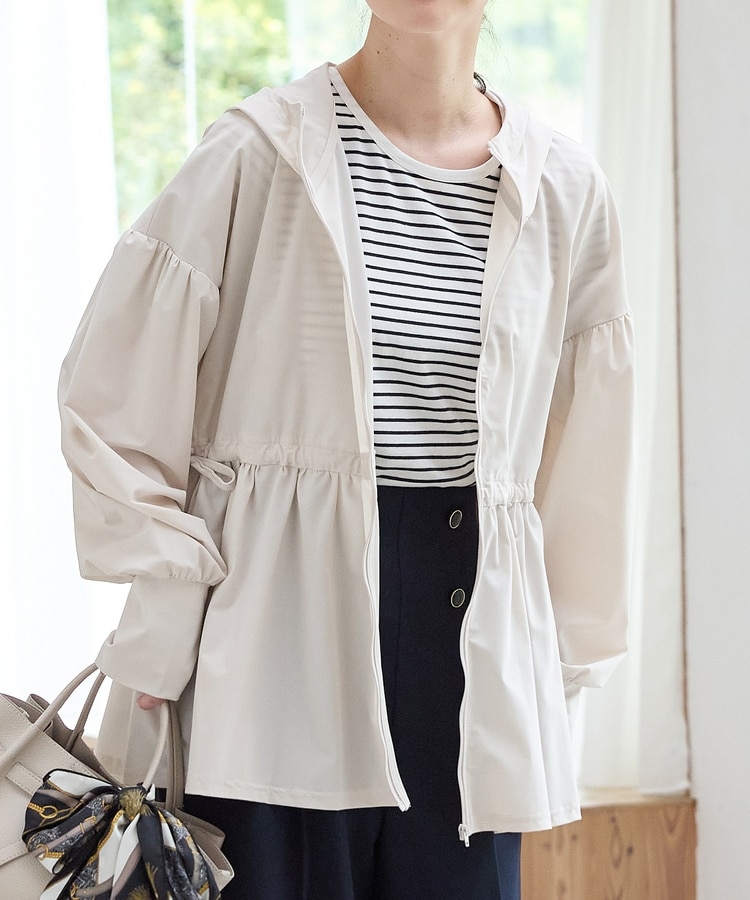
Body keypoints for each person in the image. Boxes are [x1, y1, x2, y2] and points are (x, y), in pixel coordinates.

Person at [58, 1, 636, 897]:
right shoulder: (258, 150)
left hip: (473, 651)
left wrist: (558, 666)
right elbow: (113, 393)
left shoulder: (565, 188)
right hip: (271, 636)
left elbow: (589, 452)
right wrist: (167, 600)